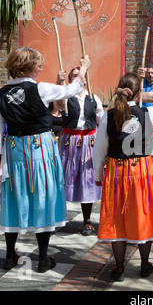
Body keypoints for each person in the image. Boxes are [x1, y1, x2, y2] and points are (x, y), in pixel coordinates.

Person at [0, 47, 91, 272]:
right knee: (43, 196)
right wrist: (83, 68)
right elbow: (73, 88)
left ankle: (9, 256)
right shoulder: (41, 89)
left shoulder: (0, 94)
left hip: (14, 149)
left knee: (14, 196)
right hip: (40, 148)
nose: (41, 68)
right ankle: (43, 259)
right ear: (28, 66)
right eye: (38, 65)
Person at [92, 72, 153, 282]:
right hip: (142, 169)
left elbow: (99, 149)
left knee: (117, 217)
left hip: (117, 170)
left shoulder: (109, 115)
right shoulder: (148, 113)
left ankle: (119, 268)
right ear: (139, 93)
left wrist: (98, 174)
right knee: (143, 215)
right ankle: (144, 265)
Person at [56, 67, 104, 235]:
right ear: (69, 79)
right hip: (69, 141)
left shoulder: (93, 98)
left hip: (88, 141)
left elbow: (101, 121)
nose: (78, 78)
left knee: (88, 179)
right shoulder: (66, 96)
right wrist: (59, 82)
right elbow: (59, 105)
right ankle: (56, 217)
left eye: (80, 75)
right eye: (74, 76)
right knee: (63, 177)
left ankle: (87, 220)